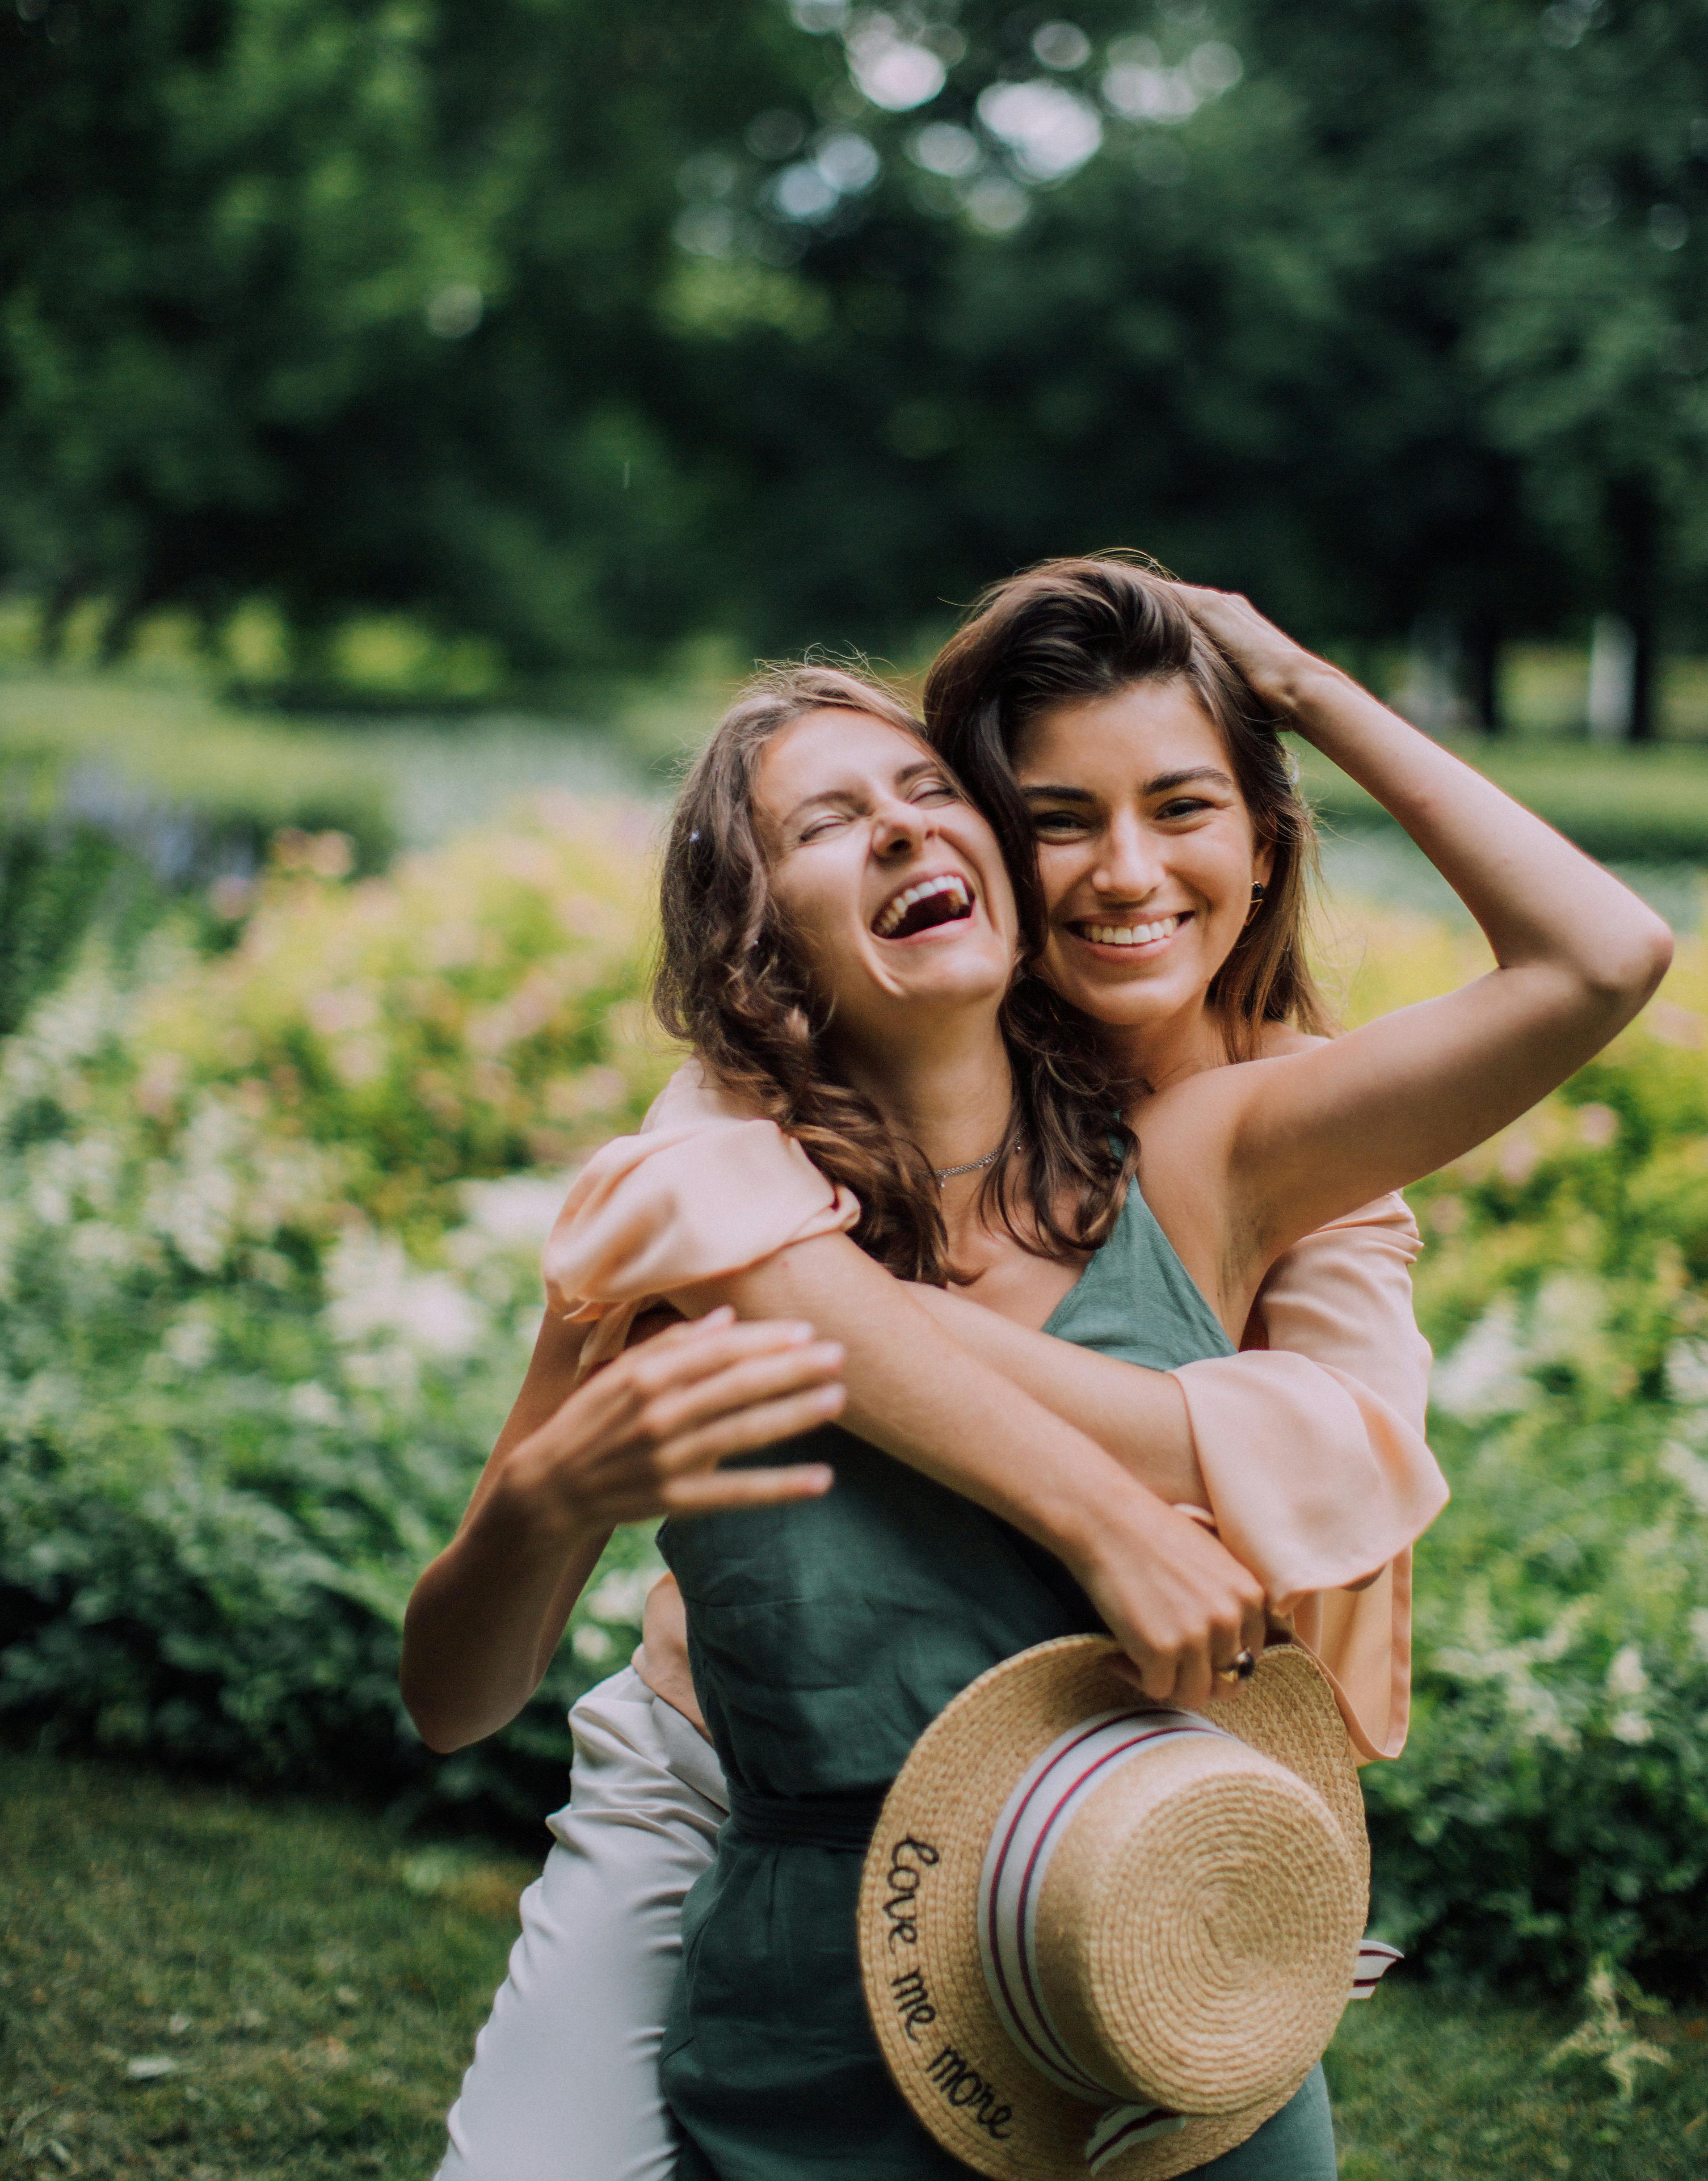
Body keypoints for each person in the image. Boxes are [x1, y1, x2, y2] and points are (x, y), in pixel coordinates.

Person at [409, 582, 1670, 2178]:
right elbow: (454, 1701)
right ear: (757, 942)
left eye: (931, 794)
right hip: (815, 2001)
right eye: (826, 823)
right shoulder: (684, 1214)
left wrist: (1294, 682)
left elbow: (1602, 957)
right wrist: (538, 1499)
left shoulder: (1210, 1157)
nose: (898, 831)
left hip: (1169, 1976)